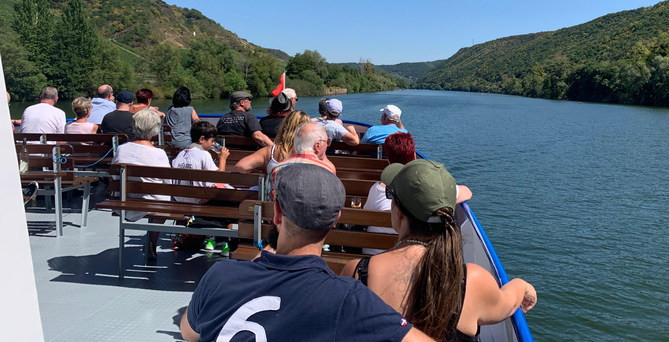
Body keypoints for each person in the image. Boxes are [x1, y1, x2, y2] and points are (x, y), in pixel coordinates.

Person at [180, 163, 435, 342]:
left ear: (277, 213)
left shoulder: (221, 274)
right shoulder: (347, 299)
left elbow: (188, 332)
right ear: (336, 220)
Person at [342, 160, 537, 341]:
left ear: (399, 213)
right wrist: (522, 286)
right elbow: (508, 303)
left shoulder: (357, 273)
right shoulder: (473, 281)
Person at [362, 133, 472, 255]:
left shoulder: (377, 189)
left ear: (388, 159)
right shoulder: (431, 189)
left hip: (373, 255)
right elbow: (467, 192)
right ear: (414, 156)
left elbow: (366, 220)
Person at [112, 109, 170, 259]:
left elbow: (113, 174)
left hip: (124, 199)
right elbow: (168, 182)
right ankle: (151, 241)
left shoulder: (121, 149)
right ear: (155, 129)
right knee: (164, 198)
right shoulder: (158, 153)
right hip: (150, 202)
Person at [172, 120, 232, 254]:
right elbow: (218, 178)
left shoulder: (181, 154)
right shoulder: (204, 154)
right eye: (211, 141)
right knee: (228, 198)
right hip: (197, 202)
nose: (212, 145)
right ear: (201, 139)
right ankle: (225, 241)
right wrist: (222, 159)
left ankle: (209, 237)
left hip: (181, 201)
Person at [234, 110, 310, 178]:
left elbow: (241, 166)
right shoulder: (314, 151)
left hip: (274, 192)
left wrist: (260, 173)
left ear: (284, 127)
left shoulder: (270, 151)